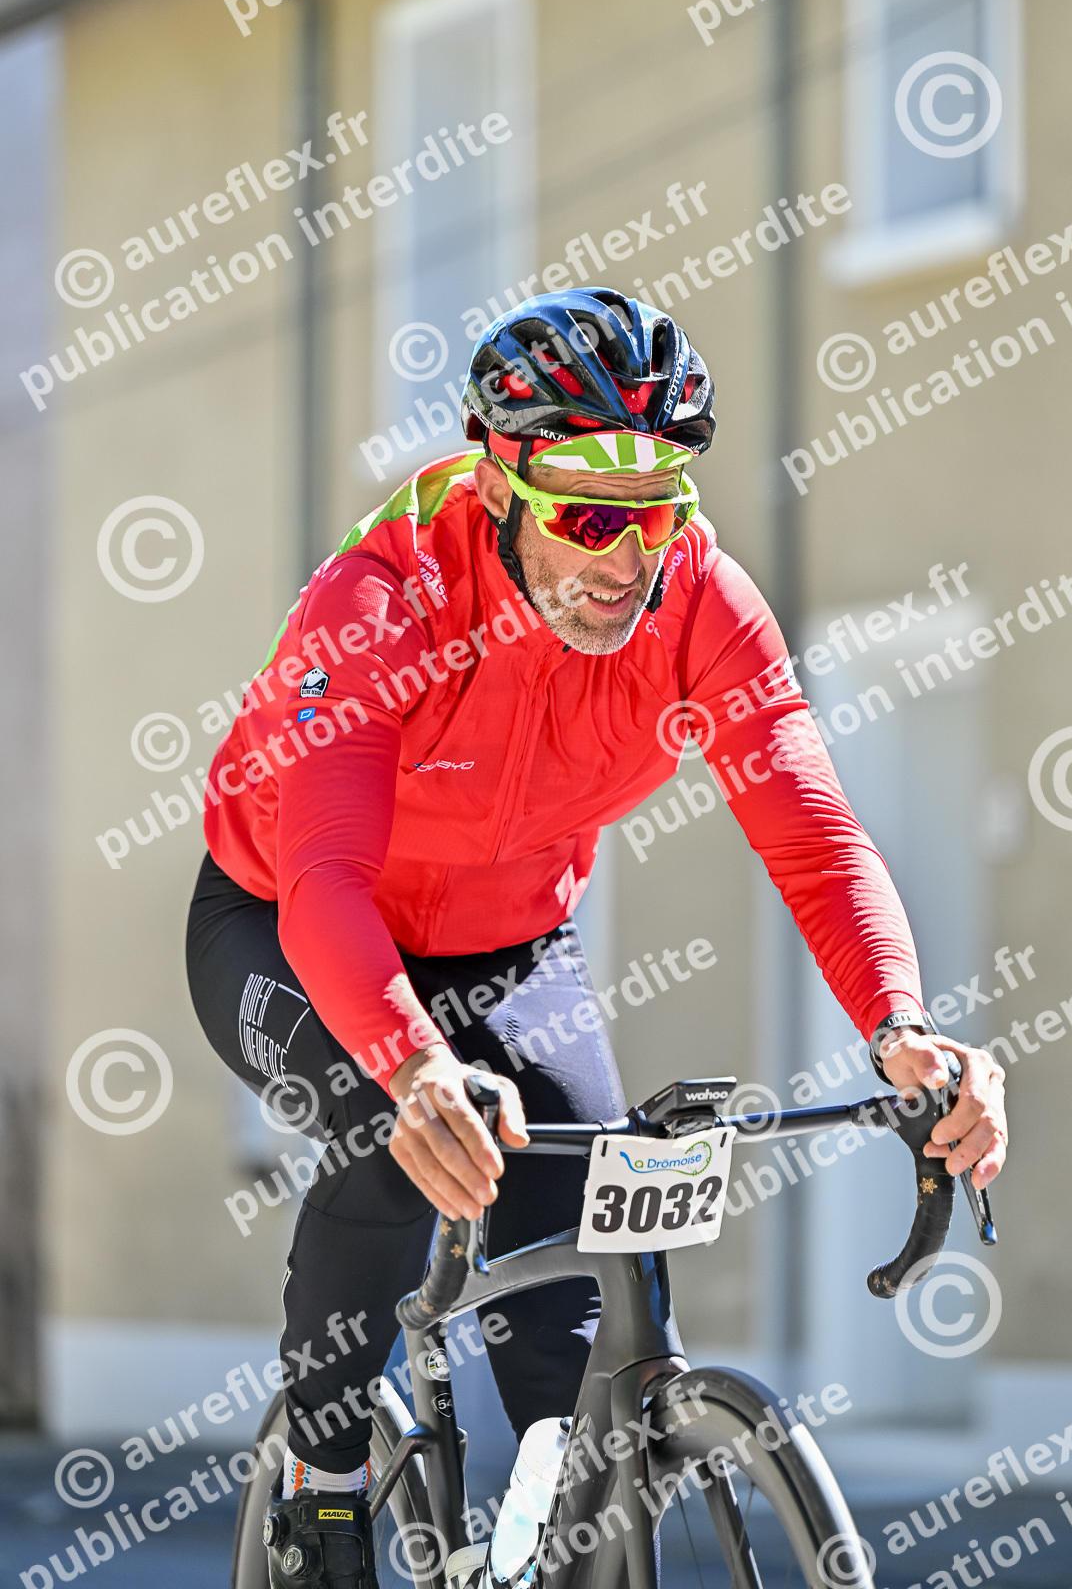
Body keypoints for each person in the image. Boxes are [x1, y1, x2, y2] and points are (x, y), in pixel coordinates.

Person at [186, 288, 1006, 1588]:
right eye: (585, 517)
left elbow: (814, 838)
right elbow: (325, 873)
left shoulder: (700, 601)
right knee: (390, 1133)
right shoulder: (381, 598)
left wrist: (902, 1029)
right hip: (288, 925)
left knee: (588, 1291)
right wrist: (414, 1066)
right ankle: (321, 1489)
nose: (626, 559)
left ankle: (552, 1537)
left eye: (656, 509)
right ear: (497, 482)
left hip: (510, 945)